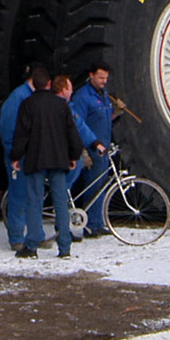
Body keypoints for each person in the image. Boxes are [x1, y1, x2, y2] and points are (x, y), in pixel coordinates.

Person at [10, 65, 85, 258]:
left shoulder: (28, 104)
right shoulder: (61, 105)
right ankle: (65, 246)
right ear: (50, 84)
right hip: (59, 159)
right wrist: (73, 155)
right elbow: (72, 133)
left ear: (33, 84)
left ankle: (32, 243)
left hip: (35, 159)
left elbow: (21, 134)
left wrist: (16, 156)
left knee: (34, 201)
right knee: (60, 201)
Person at [54, 74, 108, 236]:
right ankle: (62, 229)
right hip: (63, 156)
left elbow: (81, 127)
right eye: (70, 88)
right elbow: (79, 128)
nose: (72, 92)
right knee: (62, 191)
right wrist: (91, 145)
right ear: (63, 90)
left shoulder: (66, 106)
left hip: (66, 154)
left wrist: (94, 143)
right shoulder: (64, 108)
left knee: (65, 191)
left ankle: (67, 227)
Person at [68, 64, 115, 239]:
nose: (104, 81)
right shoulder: (82, 97)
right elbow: (76, 124)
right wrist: (82, 150)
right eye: (101, 78)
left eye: (106, 78)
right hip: (91, 149)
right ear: (91, 75)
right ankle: (88, 224)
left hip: (103, 148)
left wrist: (116, 113)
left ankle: (97, 223)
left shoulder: (103, 95)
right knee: (91, 186)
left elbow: (104, 117)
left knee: (100, 186)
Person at [0, 64, 39, 250]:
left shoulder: (32, 96)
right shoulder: (18, 97)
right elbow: (7, 128)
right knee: (18, 195)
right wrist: (13, 153)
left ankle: (35, 235)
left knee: (34, 196)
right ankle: (16, 238)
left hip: (33, 155)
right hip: (19, 156)